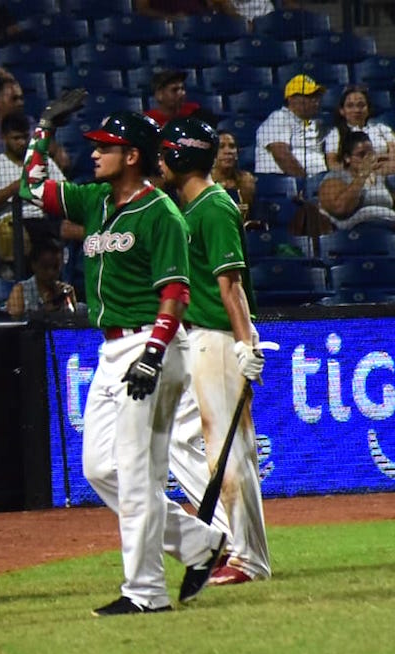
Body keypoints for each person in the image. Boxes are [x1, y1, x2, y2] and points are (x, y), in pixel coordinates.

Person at [18, 96, 226, 615]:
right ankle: (200, 544)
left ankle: (146, 592)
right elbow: (30, 188)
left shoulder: (162, 213)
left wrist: (153, 352)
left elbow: (175, 291)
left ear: (132, 155)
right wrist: (42, 129)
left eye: (106, 147)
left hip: (151, 345)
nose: (94, 154)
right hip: (112, 349)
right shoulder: (95, 201)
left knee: (136, 473)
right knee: (99, 469)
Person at [160, 117, 273, 587]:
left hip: (220, 340)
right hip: (198, 339)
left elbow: (232, 286)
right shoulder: (192, 206)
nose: (159, 160)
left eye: (166, 152)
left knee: (230, 454)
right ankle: (229, 537)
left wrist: (247, 343)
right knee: (182, 443)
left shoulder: (213, 206)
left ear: (182, 157)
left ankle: (249, 559)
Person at [0, 113, 72, 277]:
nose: (22, 143)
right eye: (16, 138)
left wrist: (44, 190)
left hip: (42, 220)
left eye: (25, 137)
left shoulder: (41, 160)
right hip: (11, 221)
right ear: (4, 138)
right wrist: (16, 187)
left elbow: (65, 190)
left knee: (78, 229)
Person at [317, 132, 395, 230]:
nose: (368, 159)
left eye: (371, 154)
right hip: (355, 239)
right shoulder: (334, 178)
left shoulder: (380, 178)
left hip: (390, 236)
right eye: (361, 154)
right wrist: (362, 176)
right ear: (347, 158)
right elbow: (341, 209)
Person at [255, 75, 327, 179]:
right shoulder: (279, 118)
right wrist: (304, 183)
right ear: (291, 99)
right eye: (309, 96)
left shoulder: (315, 124)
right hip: (280, 185)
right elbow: (282, 156)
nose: (315, 100)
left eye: (316, 96)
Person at [323, 86, 395, 173]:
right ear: (342, 111)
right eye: (350, 106)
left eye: (361, 105)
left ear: (368, 109)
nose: (356, 110)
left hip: (386, 171)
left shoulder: (381, 128)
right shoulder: (334, 134)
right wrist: (358, 169)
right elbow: (332, 164)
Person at [5, 237, 78, 319]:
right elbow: (15, 322)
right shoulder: (19, 290)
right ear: (34, 265)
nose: (51, 273)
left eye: (55, 267)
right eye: (45, 267)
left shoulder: (66, 291)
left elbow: (73, 320)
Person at [143, 69, 215, 129]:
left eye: (182, 88)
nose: (182, 93)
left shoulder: (197, 115)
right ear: (159, 95)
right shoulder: (148, 122)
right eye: (175, 90)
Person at [211, 131, 257, 222]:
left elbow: (249, 215)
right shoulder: (202, 182)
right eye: (221, 147)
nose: (228, 151)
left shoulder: (246, 180)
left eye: (232, 146)